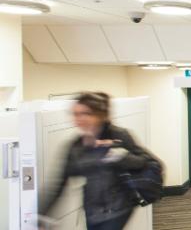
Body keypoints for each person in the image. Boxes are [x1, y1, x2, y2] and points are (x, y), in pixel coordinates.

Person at [40, 92, 153, 230]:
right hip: (92, 210)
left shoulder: (119, 135)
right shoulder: (75, 145)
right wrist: (43, 214)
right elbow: (59, 182)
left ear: (99, 115)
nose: (79, 118)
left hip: (118, 208)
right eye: (76, 114)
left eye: (85, 113)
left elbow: (143, 162)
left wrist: (117, 154)